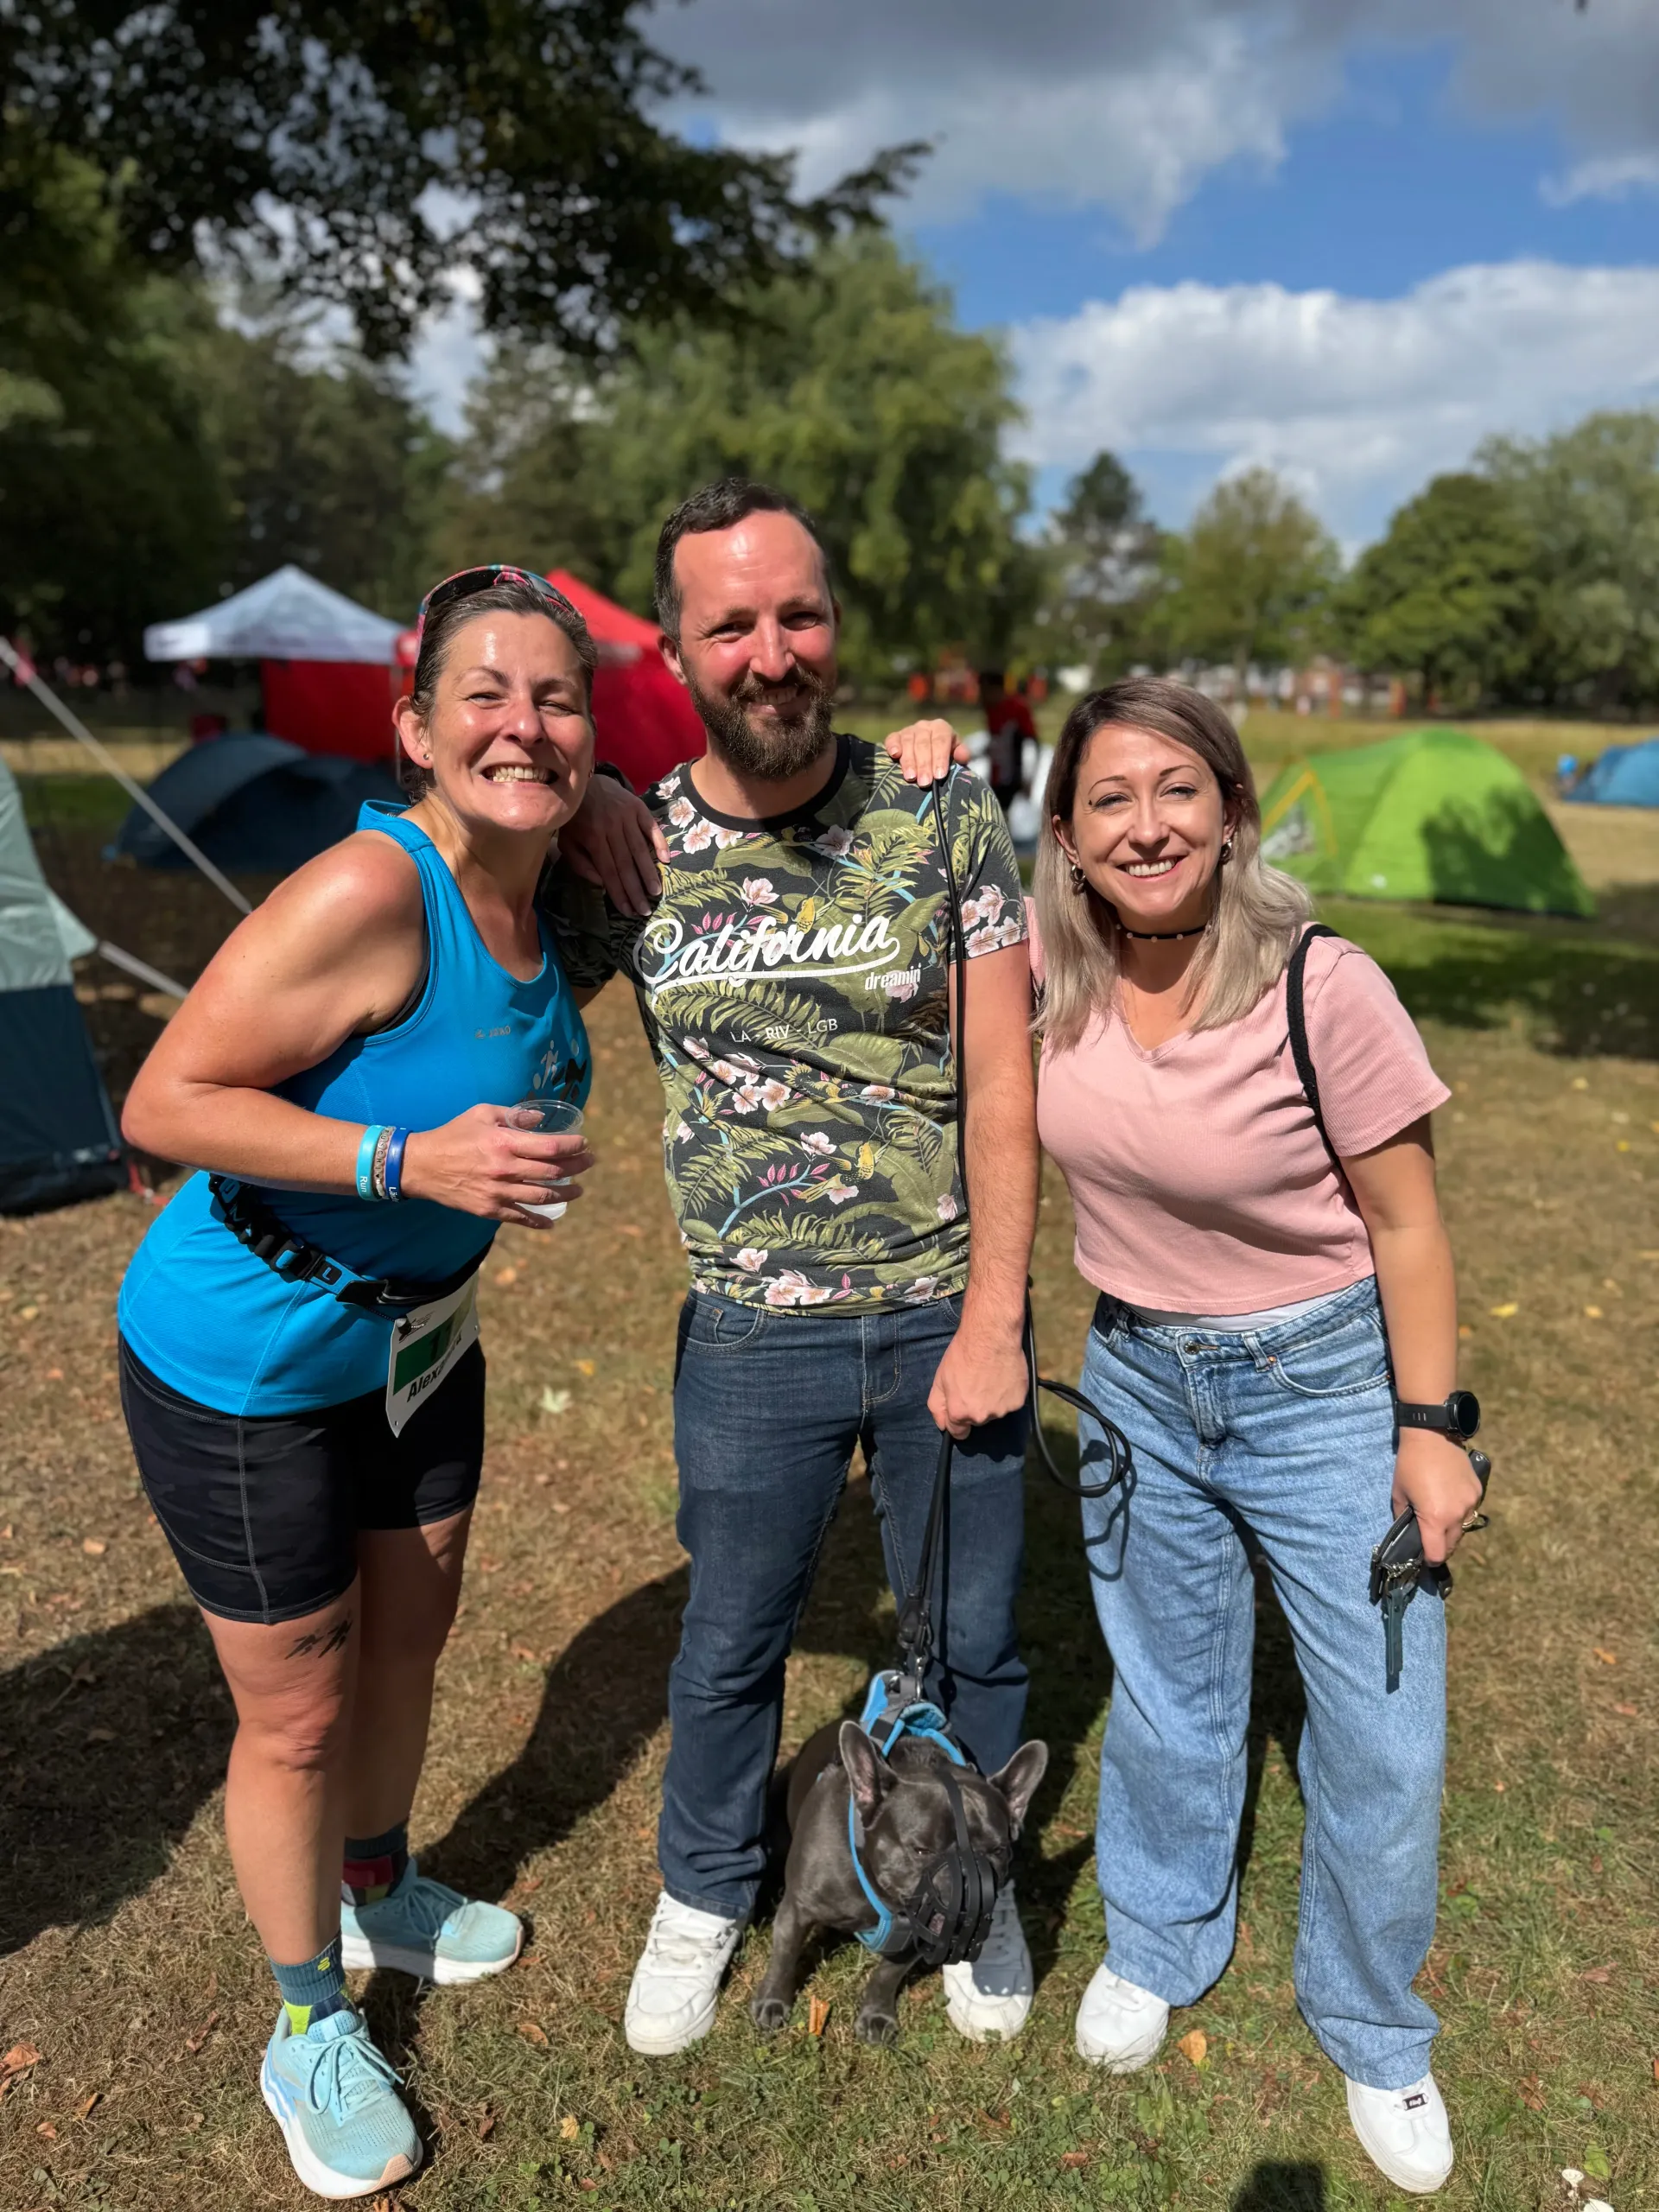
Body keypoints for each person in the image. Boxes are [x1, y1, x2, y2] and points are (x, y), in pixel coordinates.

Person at [887, 680, 1483, 2196]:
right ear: (1067, 837)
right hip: (1138, 1377)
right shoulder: (1054, 981)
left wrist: (1430, 1428)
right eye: (1109, 799)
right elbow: (894, 957)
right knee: (1168, 1693)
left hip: (1325, 1385)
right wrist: (914, 784)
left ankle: (1373, 2022)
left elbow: (1409, 1223)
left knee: (1383, 1732)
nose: (1146, 826)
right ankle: (1158, 1940)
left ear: (1230, 812)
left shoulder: (1323, 985)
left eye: (1177, 791)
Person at [117, 567, 599, 2201]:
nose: (523, 726)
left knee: (415, 1629)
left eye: (556, 697)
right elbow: (163, 1102)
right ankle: (308, 2020)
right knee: (300, 1707)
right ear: (415, 728)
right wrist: (410, 1158)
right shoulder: (368, 891)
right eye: (485, 695)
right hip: (246, 1360)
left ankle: (380, 1885)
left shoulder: (555, 880)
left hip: (419, 1345)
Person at [550, 477, 1041, 2055]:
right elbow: (482, 951)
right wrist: (578, 798)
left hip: (941, 1310)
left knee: (972, 1638)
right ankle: (705, 1891)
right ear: (676, 653)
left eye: (801, 614)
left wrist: (996, 1314)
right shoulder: (634, 847)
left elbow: (1005, 1079)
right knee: (730, 1644)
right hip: (752, 1335)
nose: (773, 653)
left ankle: (974, 1876)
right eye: (733, 626)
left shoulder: (938, 810)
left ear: (836, 624)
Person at [978, 668, 1036, 815]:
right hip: (996, 776)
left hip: (1014, 778)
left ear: (996, 689)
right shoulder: (991, 709)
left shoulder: (1017, 708)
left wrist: (1029, 778)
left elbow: (1031, 744)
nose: (981, 696)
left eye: (985, 691)